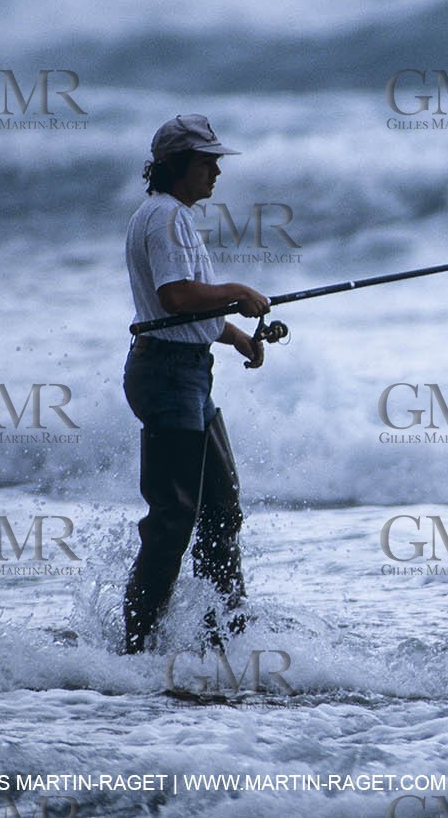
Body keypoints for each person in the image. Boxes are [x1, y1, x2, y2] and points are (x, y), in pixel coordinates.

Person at [120, 114, 271, 655]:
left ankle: (224, 635)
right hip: (169, 377)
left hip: (185, 373)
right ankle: (137, 649)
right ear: (177, 165)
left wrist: (235, 335)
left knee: (220, 512)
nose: (216, 172)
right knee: (174, 519)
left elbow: (182, 311)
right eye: (207, 162)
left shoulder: (165, 214)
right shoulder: (167, 218)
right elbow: (176, 297)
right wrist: (238, 291)